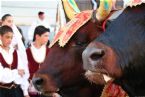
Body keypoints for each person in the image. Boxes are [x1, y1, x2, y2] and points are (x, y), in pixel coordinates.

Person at [0, 25, 29, 97]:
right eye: (7, 37)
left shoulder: (15, 52)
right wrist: (16, 72)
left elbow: (23, 73)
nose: (10, 40)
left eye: (11, 37)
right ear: (0, 37)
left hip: (16, 92)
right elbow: (1, 76)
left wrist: (25, 92)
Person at [26, 25, 50, 97]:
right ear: (37, 36)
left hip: (46, 89)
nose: (47, 38)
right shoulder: (27, 51)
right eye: (45, 36)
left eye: (48, 36)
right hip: (31, 89)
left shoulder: (49, 51)